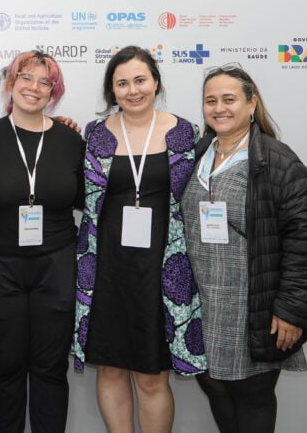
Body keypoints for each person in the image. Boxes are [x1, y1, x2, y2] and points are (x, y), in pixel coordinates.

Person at [181, 63, 307, 433]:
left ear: (252, 104)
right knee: (215, 388)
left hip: (254, 305)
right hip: (202, 303)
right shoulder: (195, 156)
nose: (219, 108)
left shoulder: (277, 162)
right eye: (210, 100)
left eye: (229, 99)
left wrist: (293, 311)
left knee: (253, 395)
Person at [72, 45, 207, 433]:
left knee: (152, 376)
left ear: (156, 82)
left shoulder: (185, 133)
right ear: (111, 91)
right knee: (111, 368)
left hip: (161, 273)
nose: (133, 90)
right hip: (106, 270)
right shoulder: (95, 134)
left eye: (140, 80)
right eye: (122, 83)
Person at [0, 51, 85, 433]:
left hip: (55, 265)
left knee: (50, 368)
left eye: (45, 82)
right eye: (26, 77)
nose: (34, 88)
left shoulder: (71, 139)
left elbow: (86, 199)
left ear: (54, 92)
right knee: (5, 366)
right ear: (10, 81)